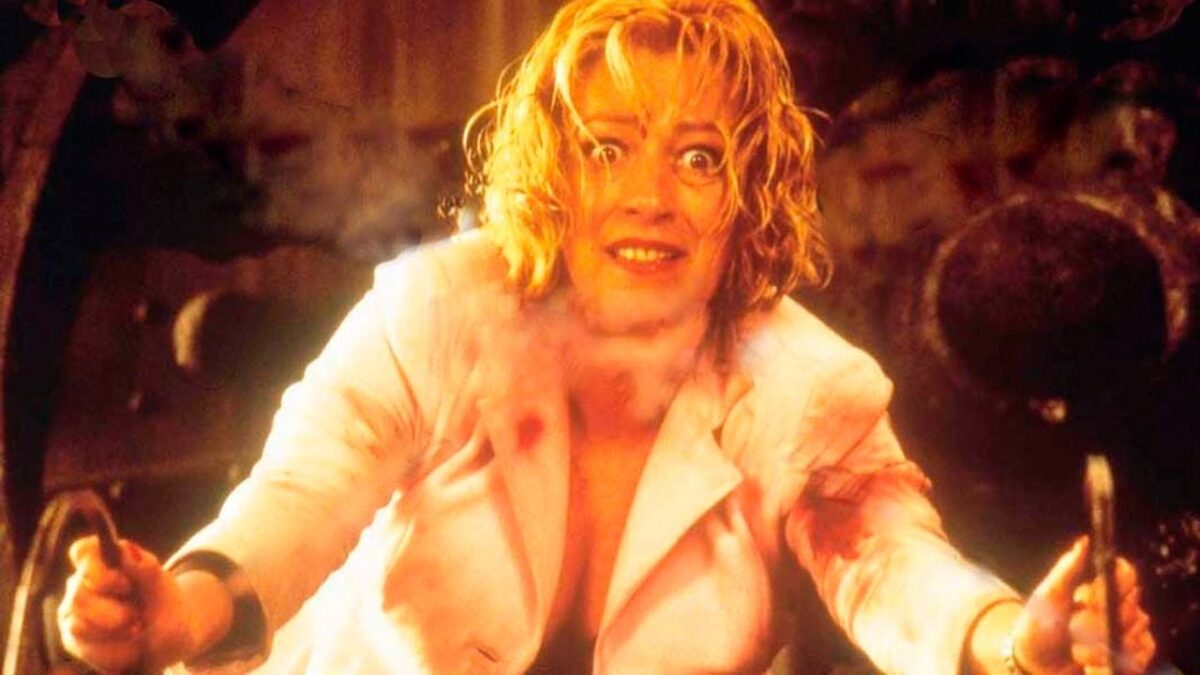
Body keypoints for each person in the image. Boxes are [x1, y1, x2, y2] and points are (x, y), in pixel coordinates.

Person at [57, 0, 1157, 673]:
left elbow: (895, 568)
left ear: (749, 189)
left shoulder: (809, 388)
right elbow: (304, 494)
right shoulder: (437, 306)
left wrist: (1018, 644)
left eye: (698, 157)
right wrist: (178, 612)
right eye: (607, 147)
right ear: (554, 170)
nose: (650, 196)